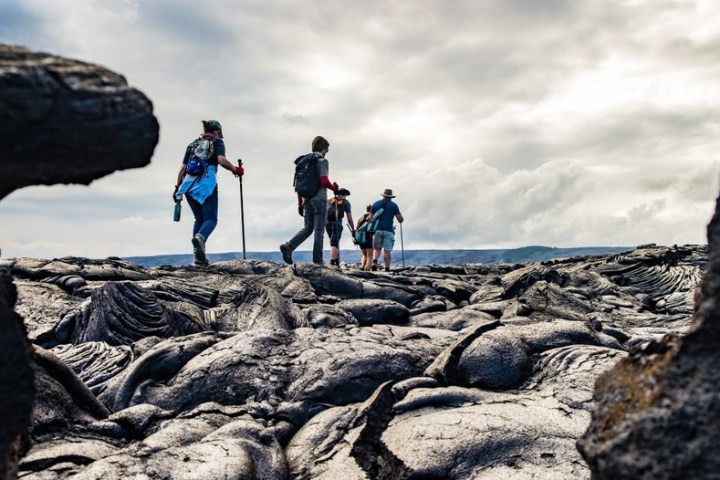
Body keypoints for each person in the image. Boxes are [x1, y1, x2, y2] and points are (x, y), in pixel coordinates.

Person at [174, 120, 243, 266]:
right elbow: (222, 160)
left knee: (199, 219)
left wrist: (177, 187)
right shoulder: (217, 142)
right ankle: (200, 238)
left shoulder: (192, 145)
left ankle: (199, 257)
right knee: (211, 219)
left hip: (188, 185)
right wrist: (236, 170)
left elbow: (182, 169)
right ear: (217, 130)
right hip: (206, 184)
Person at [279, 135, 339, 265]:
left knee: (308, 228)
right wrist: (334, 188)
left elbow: (299, 185)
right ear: (323, 148)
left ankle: (289, 246)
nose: (326, 153)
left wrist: (300, 204)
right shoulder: (321, 161)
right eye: (326, 150)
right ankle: (318, 260)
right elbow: (323, 180)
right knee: (319, 230)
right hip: (319, 199)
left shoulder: (304, 162)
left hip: (306, 200)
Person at [371, 188, 404, 272]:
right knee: (387, 251)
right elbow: (400, 220)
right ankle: (387, 268)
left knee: (377, 248)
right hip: (389, 230)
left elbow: (370, 218)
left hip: (377, 229)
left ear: (383, 195)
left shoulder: (375, 204)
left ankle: (374, 261)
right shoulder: (394, 205)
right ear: (391, 197)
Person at [326, 188, 354, 267]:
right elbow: (349, 218)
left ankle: (337, 261)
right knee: (334, 244)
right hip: (337, 223)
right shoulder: (345, 202)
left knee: (333, 242)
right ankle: (332, 262)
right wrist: (353, 229)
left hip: (327, 223)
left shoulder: (329, 201)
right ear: (345, 195)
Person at [355, 203, 374, 271]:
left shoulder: (360, 218)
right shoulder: (372, 217)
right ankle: (367, 270)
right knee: (370, 256)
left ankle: (362, 266)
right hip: (369, 238)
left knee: (364, 255)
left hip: (361, 239)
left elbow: (357, 228)